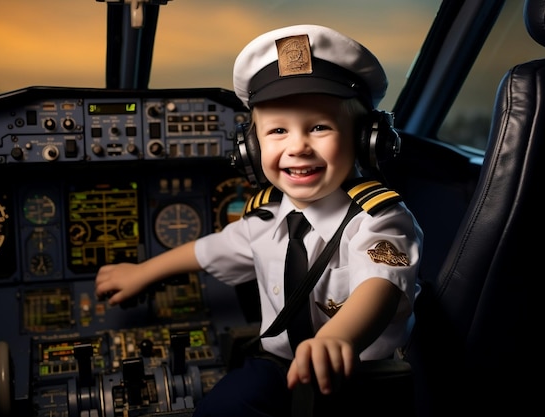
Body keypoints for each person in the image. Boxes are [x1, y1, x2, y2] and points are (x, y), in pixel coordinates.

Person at [95, 24, 423, 417]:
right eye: (278, 131)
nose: (297, 146)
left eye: (319, 127)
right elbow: (208, 250)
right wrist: (142, 272)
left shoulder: (380, 220)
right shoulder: (267, 217)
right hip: (278, 366)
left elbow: (380, 287)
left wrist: (338, 338)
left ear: (365, 141)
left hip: (360, 371)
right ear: (251, 149)